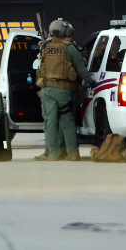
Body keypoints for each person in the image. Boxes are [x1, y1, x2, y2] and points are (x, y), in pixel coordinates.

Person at [35, 19, 94, 161]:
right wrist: (92, 82)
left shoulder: (45, 47)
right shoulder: (70, 48)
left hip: (47, 90)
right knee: (67, 121)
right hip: (63, 91)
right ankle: (73, 153)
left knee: (50, 122)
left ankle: (52, 153)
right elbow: (81, 69)